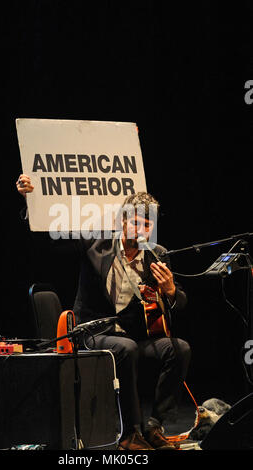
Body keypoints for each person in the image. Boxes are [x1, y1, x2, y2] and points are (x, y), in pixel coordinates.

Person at [16, 174, 191, 451]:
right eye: (136, 221)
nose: (142, 229)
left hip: (132, 335)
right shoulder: (96, 244)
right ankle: (130, 434)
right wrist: (31, 201)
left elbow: (179, 301)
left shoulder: (157, 254)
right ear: (123, 221)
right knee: (127, 348)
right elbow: (50, 240)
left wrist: (169, 290)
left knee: (178, 349)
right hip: (92, 332)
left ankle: (155, 426)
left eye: (148, 223)